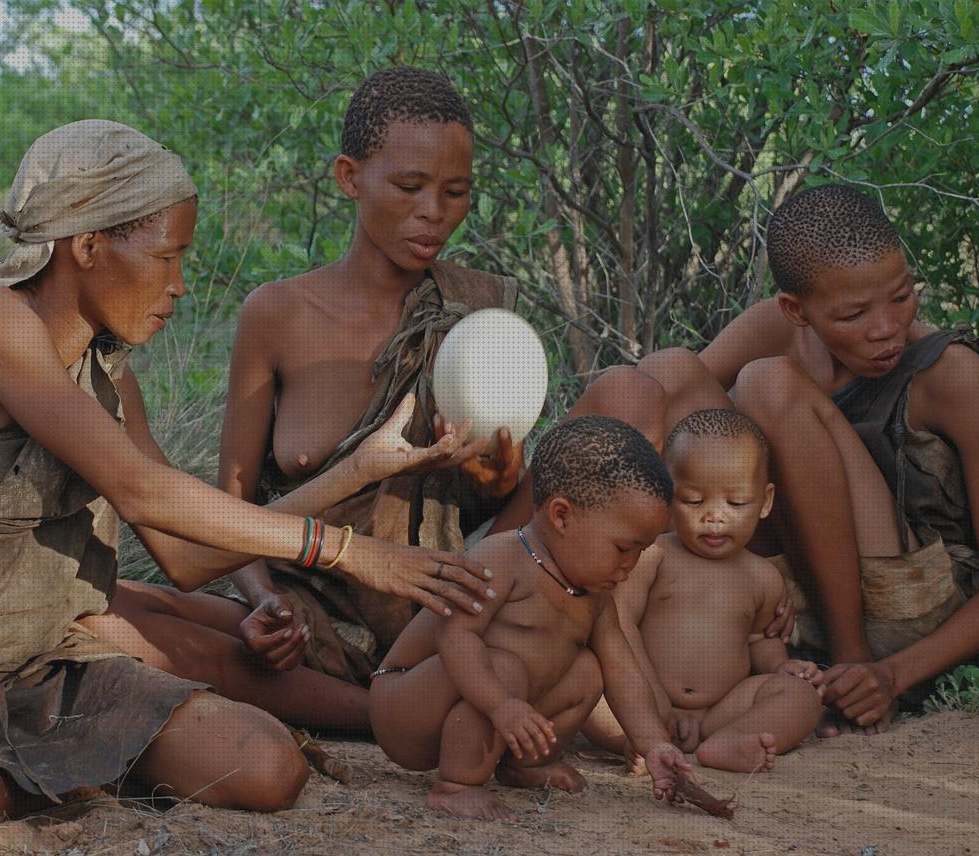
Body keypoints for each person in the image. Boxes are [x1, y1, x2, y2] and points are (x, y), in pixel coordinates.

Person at [0, 119, 497, 850]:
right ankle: (56, 774)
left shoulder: (112, 378)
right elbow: (142, 491)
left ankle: (51, 769)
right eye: (166, 256)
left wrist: (360, 472)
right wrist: (347, 550)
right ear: (86, 246)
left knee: (268, 768)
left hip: (53, 668)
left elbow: (185, 554)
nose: (177, 286)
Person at [211, 67, 791, 707]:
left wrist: (499, 480)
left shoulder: (475, 314)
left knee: (630, 391)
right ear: (349, 177)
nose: (434, 212)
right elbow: (229, 510)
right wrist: (263, 600)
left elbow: (494, 511)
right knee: (186, 636)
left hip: (462, 585)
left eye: (455, 191)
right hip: (321, 596)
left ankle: (608, 646)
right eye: (409, 187)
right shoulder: (277, 315)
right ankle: (407, 692)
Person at [599, 184, 979, 733]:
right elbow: (677, 410)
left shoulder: (951, 375)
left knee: (767, 383)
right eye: (854, 314)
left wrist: (890, 675)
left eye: (901, 297)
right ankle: (560, 582)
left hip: (909, 611)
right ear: (796, 309)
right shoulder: (777, 327)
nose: (886, 328)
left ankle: (848, 663)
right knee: (665, 374)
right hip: (798, 586)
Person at [370, 416, 694, 820]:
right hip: (406, 703)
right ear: (562, 516)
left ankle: (522, 763)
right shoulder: (499, 558)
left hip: (490, 699)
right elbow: (455, 640)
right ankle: (455, 785)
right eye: (624, 548)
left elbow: (622, 671)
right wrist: (502, 706)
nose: (632, 564)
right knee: (503, 666)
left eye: (641, 551)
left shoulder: (594, 595)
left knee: (589, 671)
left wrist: (653, 743)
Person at [584, 410, 823, 772]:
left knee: (802, 697)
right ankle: (636, 742)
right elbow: (621, 626)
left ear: (765, 501)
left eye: (736, 503)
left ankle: (732, 741)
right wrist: (654, 704)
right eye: (694, 500)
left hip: (721, 710)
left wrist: (783, 666)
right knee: (587, 679)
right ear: (667, 494)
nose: (714, 516)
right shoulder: (652, 557)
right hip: (643, 702)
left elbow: (761, 640)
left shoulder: (763, 576)